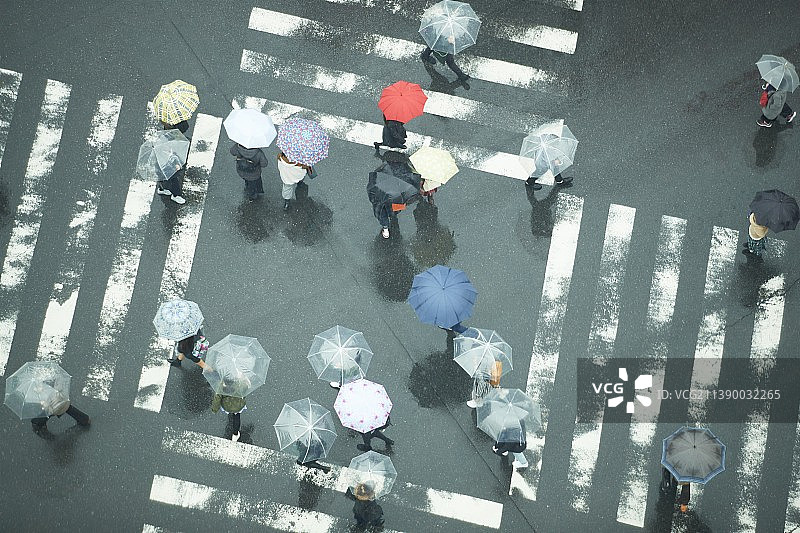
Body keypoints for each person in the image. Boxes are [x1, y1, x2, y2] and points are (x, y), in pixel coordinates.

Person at [211, 374, 250, 442]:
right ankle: (235, 435)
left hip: (227, 406)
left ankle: (230, 413)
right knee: (237, 417)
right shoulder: (240, 384)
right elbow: (246, 388)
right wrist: (244, 379)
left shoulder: (220, 387)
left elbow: (217, 399)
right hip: (238, 405)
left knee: (230, 411)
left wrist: (214, 410)